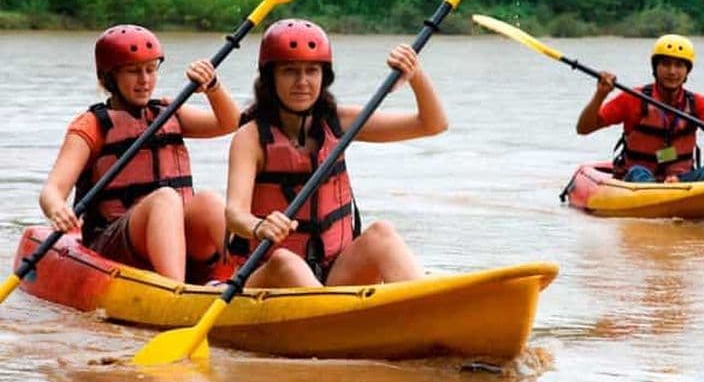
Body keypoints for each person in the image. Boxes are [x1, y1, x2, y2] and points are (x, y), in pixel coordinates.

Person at [225, 18, 448, 288]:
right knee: (287, 260)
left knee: (382, 234)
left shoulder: (338, 122)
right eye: (289, 71)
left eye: (312, 71)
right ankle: (333, 322)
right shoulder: (250, 137)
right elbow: (234, 214)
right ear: (270, 77)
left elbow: (432, 124)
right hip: (268, 277)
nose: (302, 82)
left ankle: (422, 304)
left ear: (324, 76)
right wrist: (258, 226)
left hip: (333, 273)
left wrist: (415, 75)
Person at [39, 24, 240, 283]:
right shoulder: (92, 125)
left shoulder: (167, 112)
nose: (145, 80)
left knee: (209, 202)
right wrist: (57, 209)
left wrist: (213, 87)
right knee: (166, 199)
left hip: (177, 240)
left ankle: (244, 278)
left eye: (150, 70)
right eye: (134, 71)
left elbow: (230, 123)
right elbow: (51, 190)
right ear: (109, 78)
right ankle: (174, 292)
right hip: (115, 242)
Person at [576, 33, 704, 183]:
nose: (672, 71)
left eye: (679, 65)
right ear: (655, 68)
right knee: (638, 172)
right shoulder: (633, 98)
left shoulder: (698, 103)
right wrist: (600, 95)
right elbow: (583, 128)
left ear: (687, 71)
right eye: (665, 64)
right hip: (637, 180)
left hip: (680, 181)